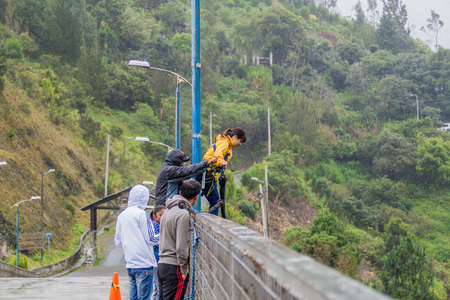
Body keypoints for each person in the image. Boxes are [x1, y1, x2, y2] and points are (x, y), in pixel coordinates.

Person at [157, 180, 201, 300]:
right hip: (174, 268)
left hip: (162, 265)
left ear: (181, 192)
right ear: (196, 197)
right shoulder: (183, 214)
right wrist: (184, 269)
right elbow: (181, 246)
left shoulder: (167, 211)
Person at [115, 184, 159, 300]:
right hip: (144, 264)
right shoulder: (141, 214)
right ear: (145, 198)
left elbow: (118, 243)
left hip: (130, 265)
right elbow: (152, 239)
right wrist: (166, 233)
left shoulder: (121, 216)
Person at [196, 127, 246, 215]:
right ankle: (211, 224)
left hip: (206, 173)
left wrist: (217, 176)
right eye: (240, 141)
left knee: (194, 196)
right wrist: (221, 161)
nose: (240, 144)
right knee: (215, 202)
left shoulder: (225, 143)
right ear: (234, 137)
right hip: (206, 174)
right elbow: (218, 154)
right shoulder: (224, 143)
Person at [150, 205, 166, 300]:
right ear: (155, 216)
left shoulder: (161, 226)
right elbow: (155, 242)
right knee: (158, 288)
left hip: (160, 262)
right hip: (156, 262)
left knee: (159, 288)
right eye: (161, 215)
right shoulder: (155, 226)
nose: (163, 217)